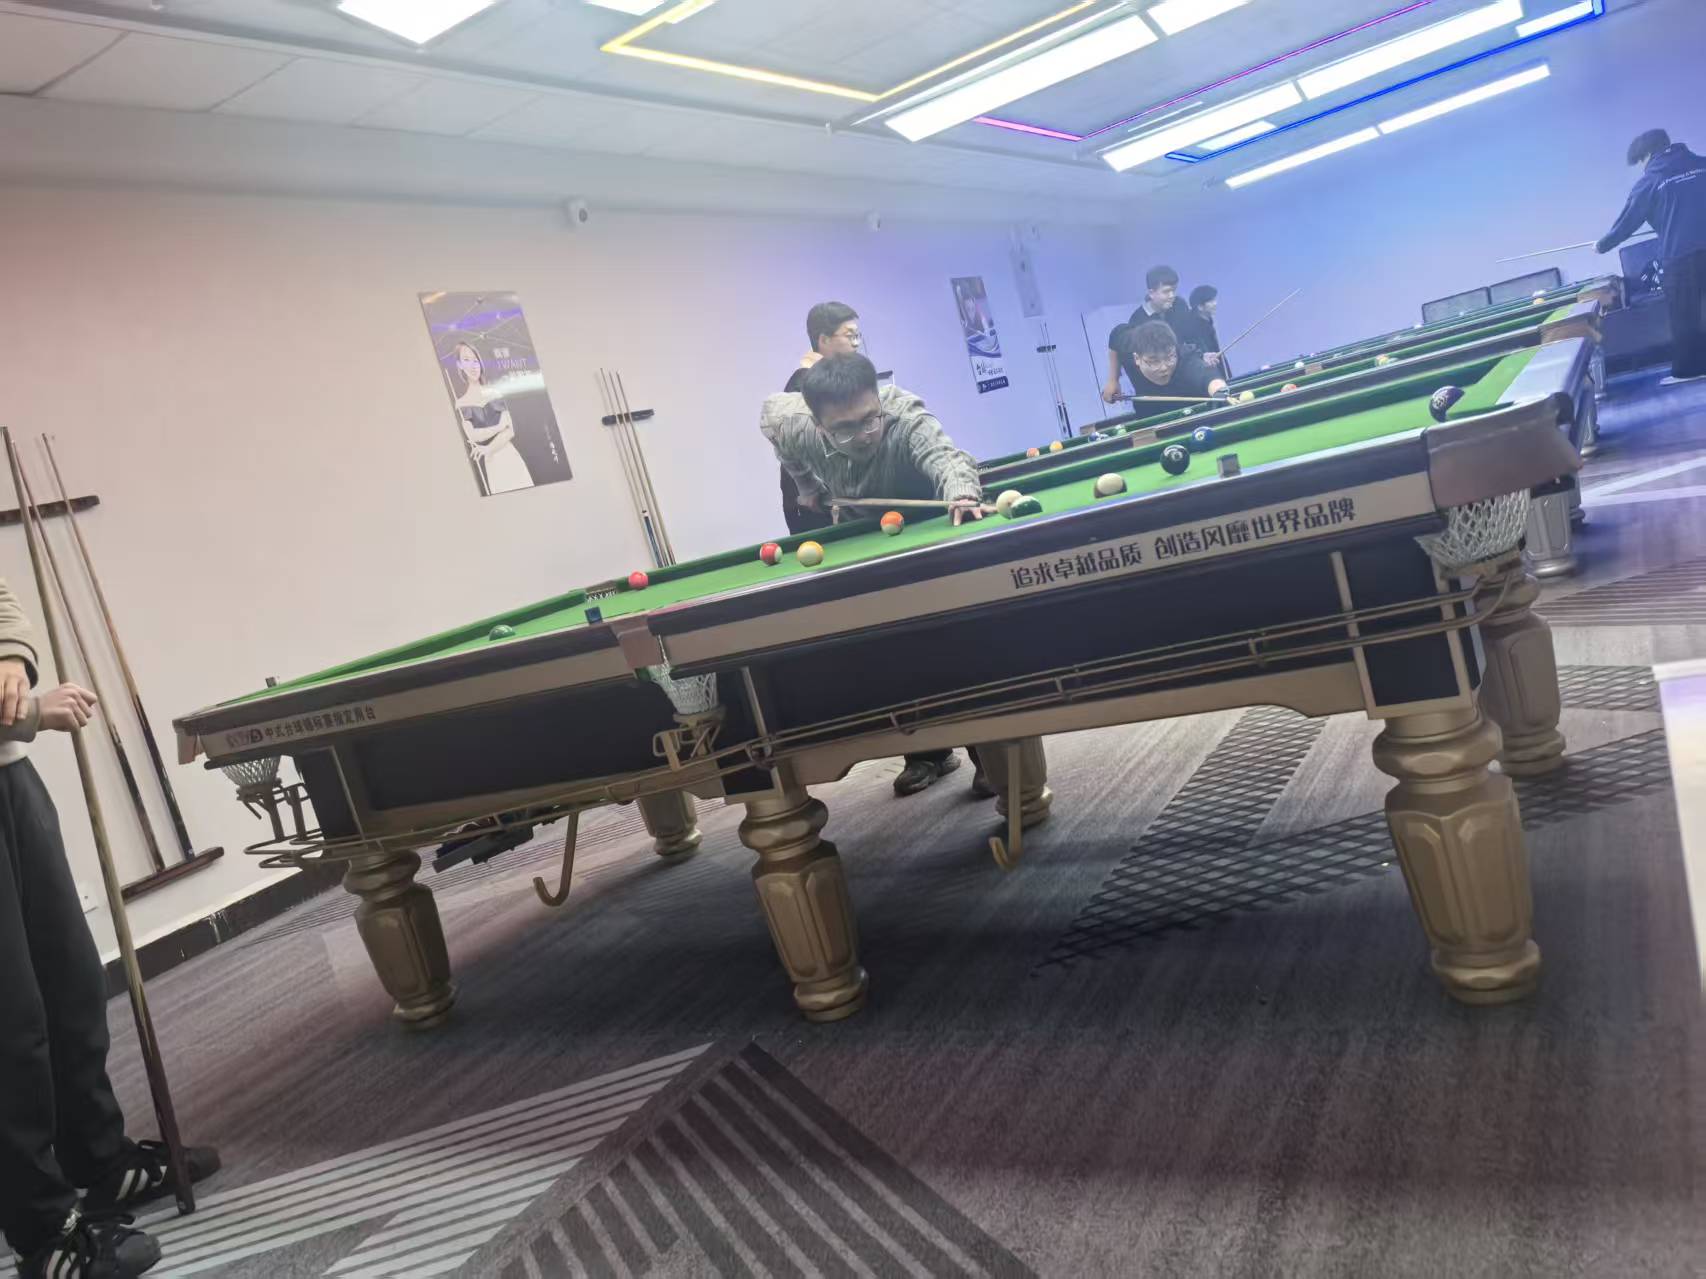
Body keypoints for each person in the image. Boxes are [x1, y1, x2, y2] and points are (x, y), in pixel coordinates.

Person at [0, 579, 220, 1279]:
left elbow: (2, 597)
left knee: (70, 983)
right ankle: (44, 1231)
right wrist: (29, 711)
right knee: (10, 1022)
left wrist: (11, 656)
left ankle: (99, 1161)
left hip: (9, 778)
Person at [760, 355, 990, 797]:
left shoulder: (903, 416)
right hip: (862, 532)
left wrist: (961, 493)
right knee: (887, 648)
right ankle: (927, 753)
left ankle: (990, 755)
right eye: (845, 429)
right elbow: (772, 423)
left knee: (952, 642)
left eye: (870, 420)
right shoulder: (795, 426)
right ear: (819, 426)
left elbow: (946, 458)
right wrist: (807, 487)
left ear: (878, 401)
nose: (863, 435)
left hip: (928, 524)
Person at [1597, 128, 1706, 384]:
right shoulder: (1702, 164)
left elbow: (1628, 221)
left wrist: (1601, 245)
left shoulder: (1650, 180)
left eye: (1640, 162)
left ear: (1646, 155)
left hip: (1681, 256)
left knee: (1684, 315)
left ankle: (1690, 370)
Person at [779, 303, 865, 533]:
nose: (856, 343)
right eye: (850, 336)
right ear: (824, 340)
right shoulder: (803, 383)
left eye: (857, 336)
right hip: (816, 509)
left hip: (838, 504)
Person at [449, 340, 534, 494]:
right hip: (492, 463)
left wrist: (488, 448)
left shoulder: (495, 393)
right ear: (459, 365)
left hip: (510, 456)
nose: (473, 365)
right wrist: (499, 427)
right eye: (466, 360)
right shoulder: (460, 403)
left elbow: (510, 431)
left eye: (475, 360)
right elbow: (473, 436)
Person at [1103, 265, 1191, 403]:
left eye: (1174, 290)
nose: (1172, 296)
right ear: (1151, 293)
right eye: (1166, 292)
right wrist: (1113, 380)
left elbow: (1190, 338)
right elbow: (1115, 339)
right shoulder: (1137, 320)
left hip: (1185, 380)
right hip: (1157, 390)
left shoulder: (1180, 305)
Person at [1117, 321, 1229, 403]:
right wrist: (1113, 380)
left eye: (1169, 358)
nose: (1164, 367)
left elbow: (1207, 375)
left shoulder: (1185, 358)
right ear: (1137, 359)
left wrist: (1220, 392)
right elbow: (1116, 335)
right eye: (1154, 361)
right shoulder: (1128, 348)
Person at [1178, 285, 1230, 379]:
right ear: (1200, 307)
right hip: (1208, 373)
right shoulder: (1192, 327)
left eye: (1214, 300)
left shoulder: (1207, 321)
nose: (1215, 303)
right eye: (1211, 301)